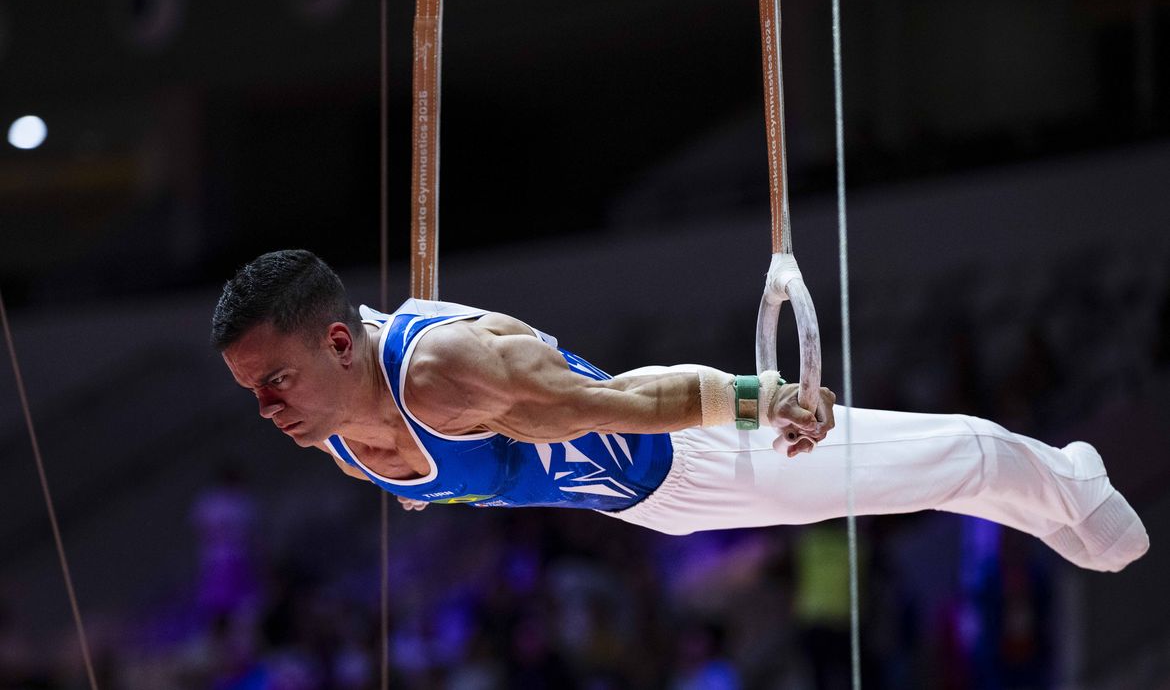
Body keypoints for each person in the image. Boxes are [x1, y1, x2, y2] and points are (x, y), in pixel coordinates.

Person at [211, 250, 1148, 573]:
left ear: (340, 343)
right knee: (930, 481)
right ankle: (1050, 495)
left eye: (275, 382)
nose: (265, 409)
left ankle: (1072, 476)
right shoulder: (330, 430)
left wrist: (760, 398)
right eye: (252, 389)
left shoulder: (448, 375)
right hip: (648, 507)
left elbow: (623, 399)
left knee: (952, 462)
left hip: (693, 452)